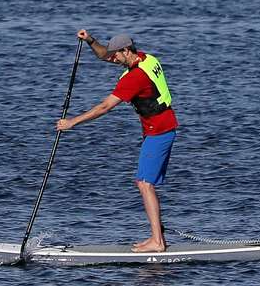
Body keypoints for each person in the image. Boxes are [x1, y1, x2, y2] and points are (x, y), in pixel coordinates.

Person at [55, 29, 177, 252]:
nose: (111, 59)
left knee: (144, 183)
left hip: (159, 132)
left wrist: (72, 122)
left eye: (115, 56)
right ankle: (158, 237)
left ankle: (157, 242)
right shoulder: (146, 58)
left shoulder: (135, 78)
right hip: (163, 128)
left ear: (126, 50)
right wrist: (90, 40)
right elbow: (104, 54)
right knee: (144, 182)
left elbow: (104, 107)